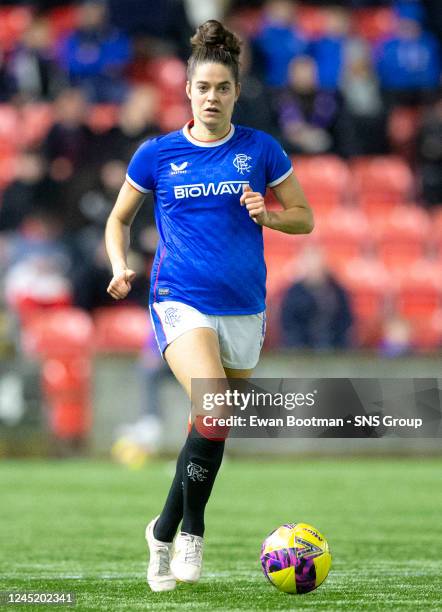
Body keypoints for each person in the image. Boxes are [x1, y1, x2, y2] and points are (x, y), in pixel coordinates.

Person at [105, 20, 313, 592]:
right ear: (188, 92)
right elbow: (118, 218)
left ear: (236, 93)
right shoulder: (158, 154)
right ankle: (192, 531)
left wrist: (268, 215)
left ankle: (162, 528)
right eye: (203, 88)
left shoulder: (260, 150)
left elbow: (306, 217)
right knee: (216, 410)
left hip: (245, 307)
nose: (213, 97)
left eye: (223, 88)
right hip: (179, 299)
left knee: (210, 425)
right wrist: (120, 265)